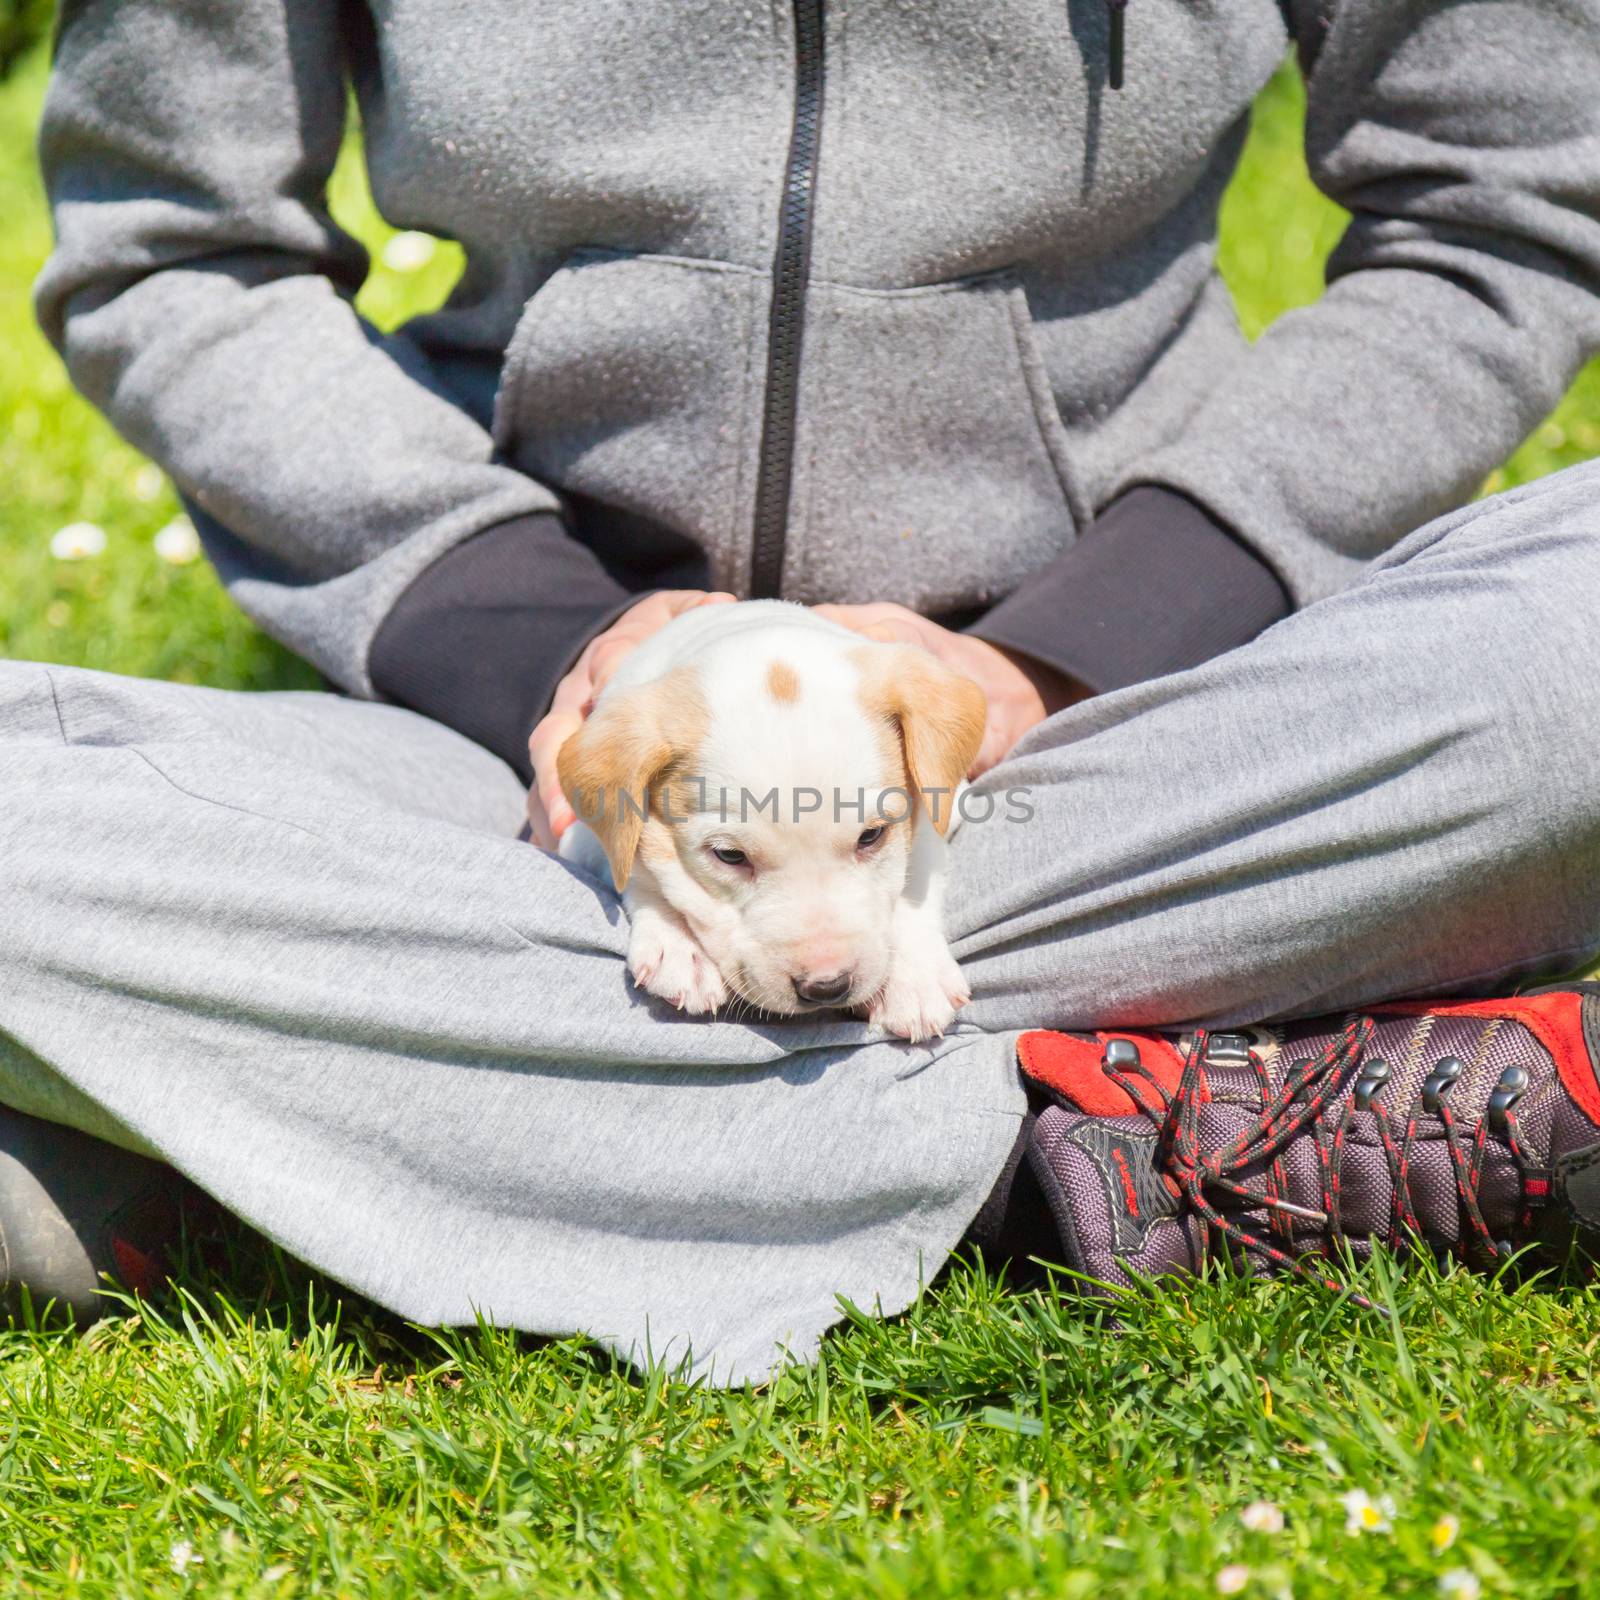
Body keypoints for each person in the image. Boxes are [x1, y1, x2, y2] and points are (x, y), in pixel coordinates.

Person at [3, 0, 1599, 1382]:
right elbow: (175, 246)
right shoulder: (563, 725)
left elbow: (1500, 209)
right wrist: (528, 646)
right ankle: (1145, 1123)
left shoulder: (1085, 684)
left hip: (1147, 724)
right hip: (512, 759)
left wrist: (1071, 646)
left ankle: (325, 1128)